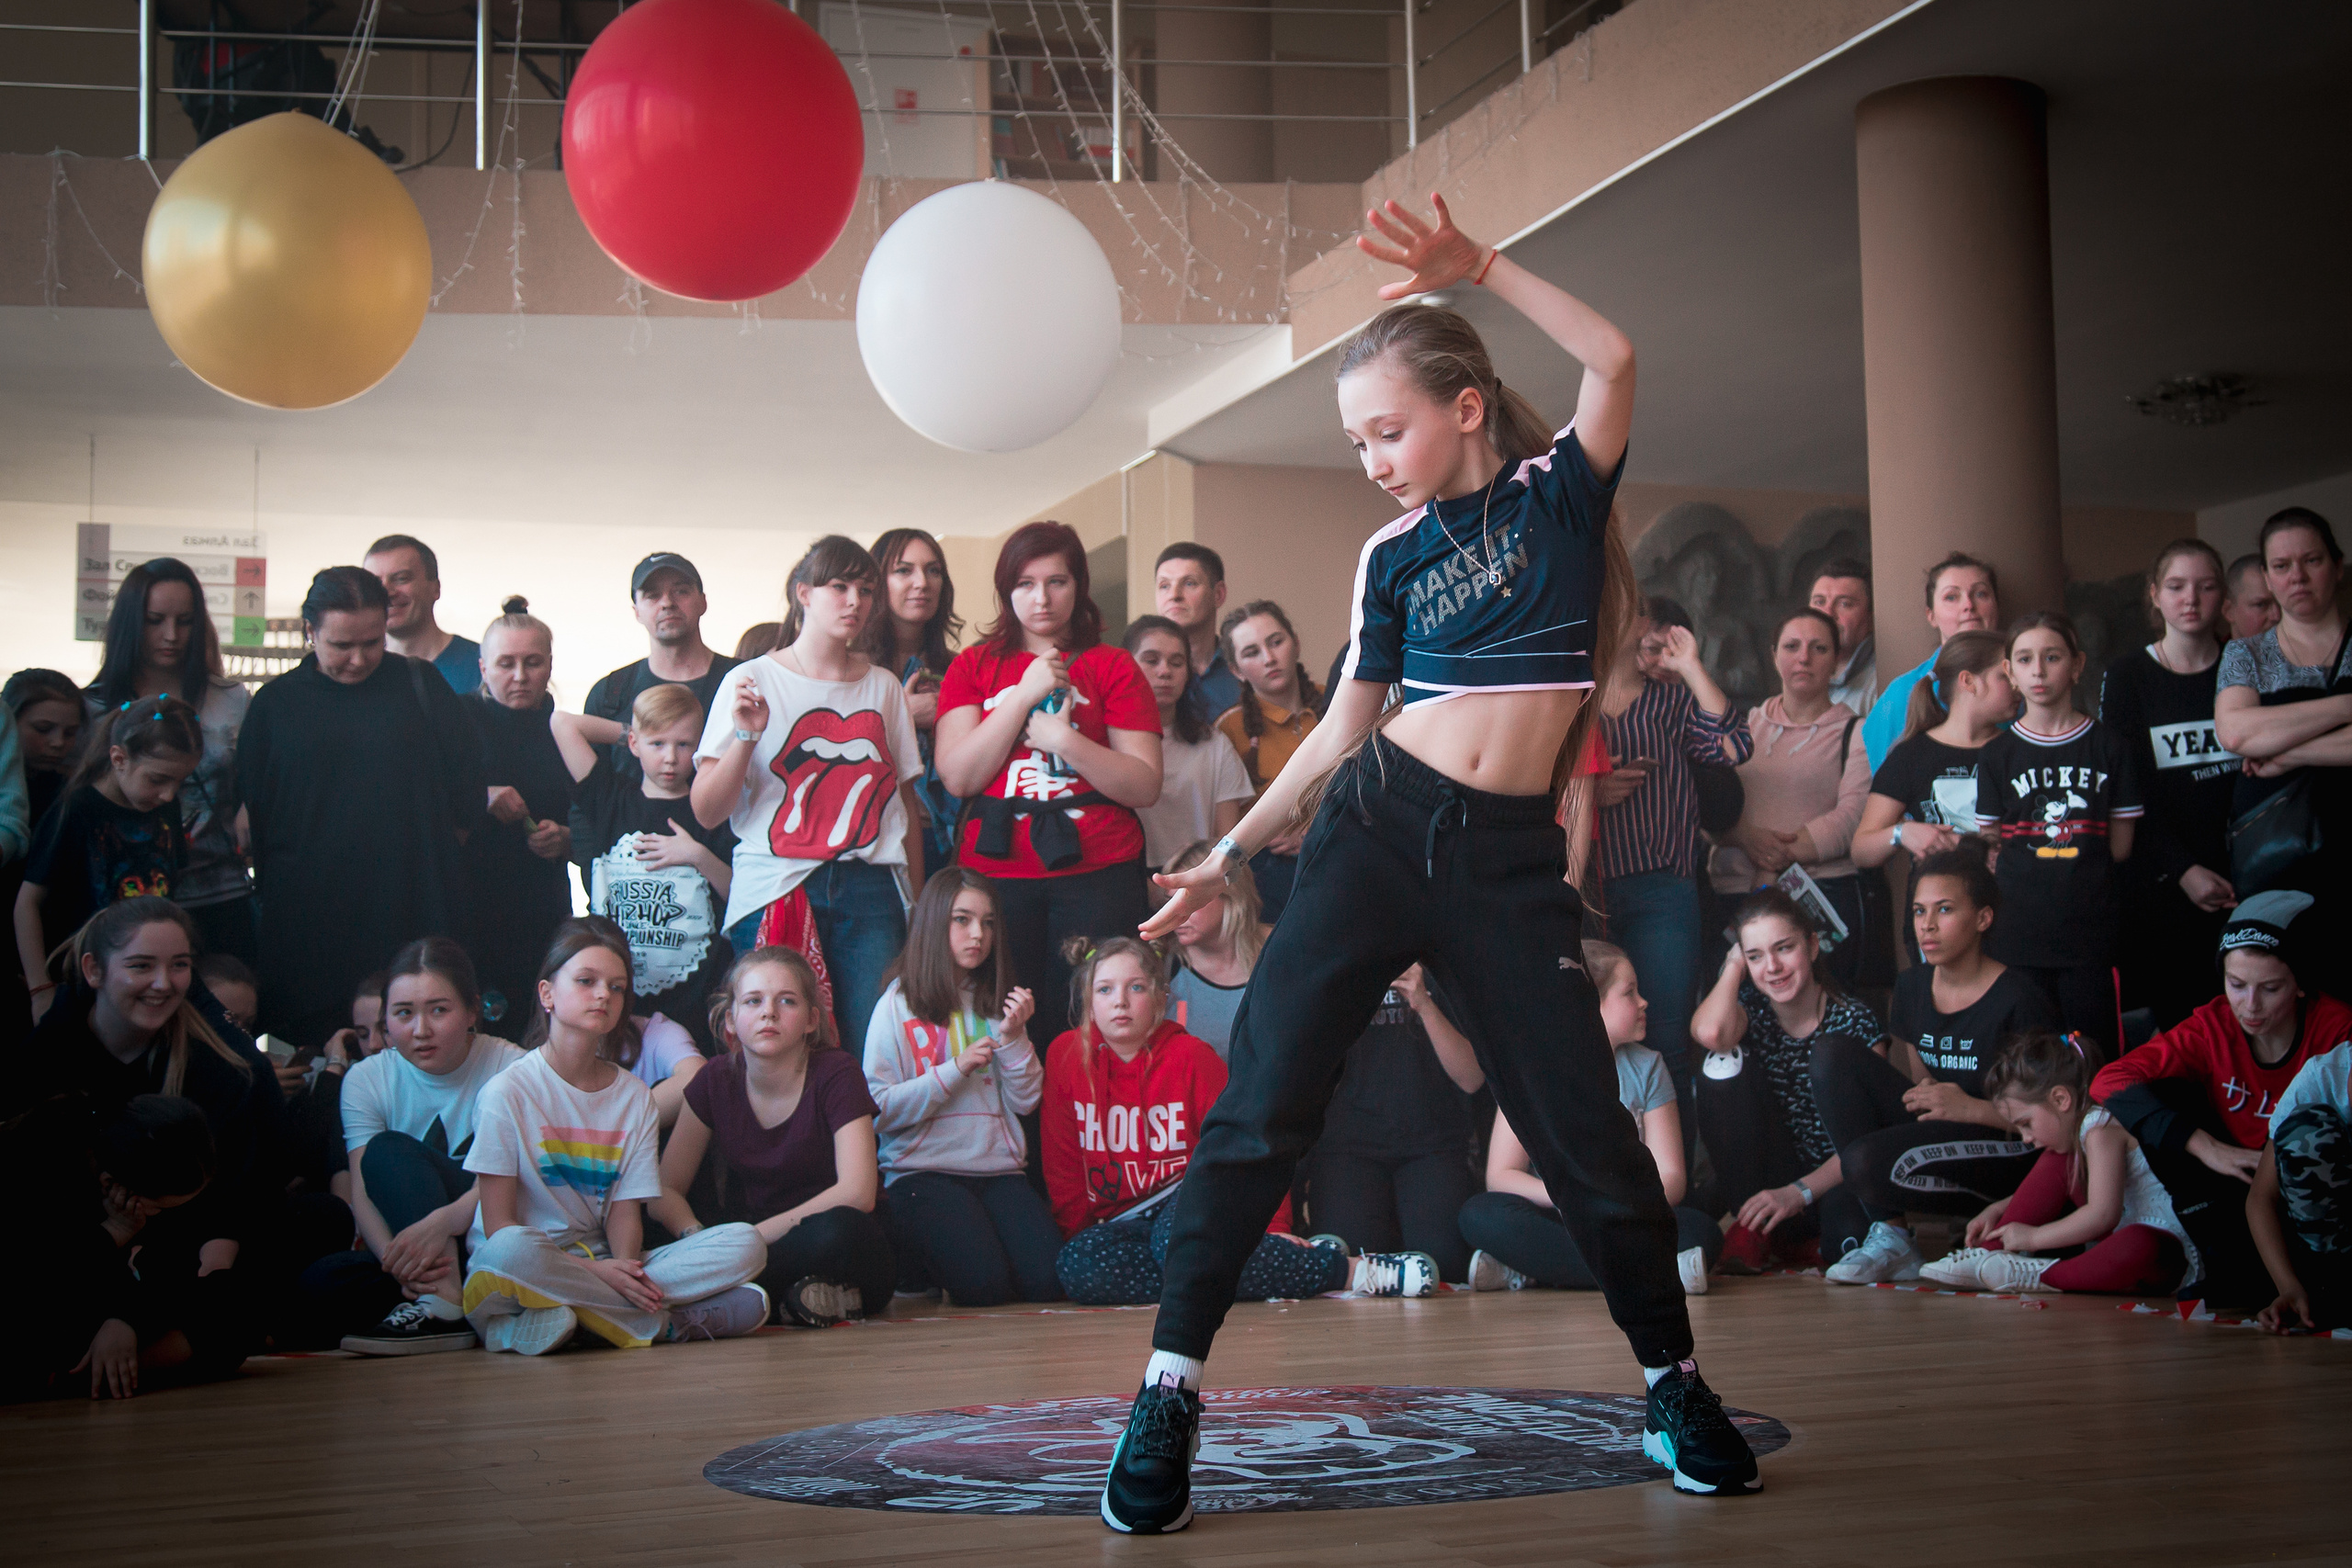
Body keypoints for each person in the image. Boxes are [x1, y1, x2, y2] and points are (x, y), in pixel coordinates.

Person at [1125, 196, 1760, 1530]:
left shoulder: (1559, 497)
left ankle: (1674, 1384)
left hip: (1510, 865)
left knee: (1589, 1133)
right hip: (1376, 829)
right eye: (1354, 439)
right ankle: (1169, 1391)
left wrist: (1484, 267)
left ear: (1467, 405)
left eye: (1388, 429)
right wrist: (1229, 858)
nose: (1371, 459)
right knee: (1260, 1112)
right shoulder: (1389, 555)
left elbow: (1616, 355)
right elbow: (1345, 732)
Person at [1042, 938, 1429, 1308]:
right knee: (1078, 1266)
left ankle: (1349, 1272)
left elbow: (1245, 1141)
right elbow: (1063, 1165)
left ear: (1161, 996)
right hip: (1123, 1221)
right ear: (1088, 1003)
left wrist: (1272, 1224)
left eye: (1136, 987)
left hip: (1190, 1197)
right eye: (1105, 990)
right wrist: (1085, 1237)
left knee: (1177, 1244)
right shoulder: (1065, 1055)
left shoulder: (1192, 1056)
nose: (1120, 1002)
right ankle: (1252, 1268)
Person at [6, 899, 290, 1377]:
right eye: (141, 966)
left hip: (173, 1256)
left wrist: (130, 1317)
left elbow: (222, 1215)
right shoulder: (46, 1066)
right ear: (94, 970)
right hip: (70, 1254)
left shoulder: (215, 1070)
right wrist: (113, 1237)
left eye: (179, 967)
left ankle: (100, 1369)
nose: (164, 984)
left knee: (241, 1301)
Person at [462, 919, 770, 1354]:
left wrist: (621, 1268)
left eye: (618, 987)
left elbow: (624, 1215)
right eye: (587, 981)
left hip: (605, 1263)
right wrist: (596, 1275)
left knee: (746, 1243)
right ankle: (661, 1323)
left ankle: (567, 1323)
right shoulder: (505, 1092)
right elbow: (497, 1226)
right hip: (520, 1268)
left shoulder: (634, 1098)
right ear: (547, 994)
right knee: (513, 1250)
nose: (604, 995)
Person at [692, 536, 925, 1056]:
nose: (855, 601)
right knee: (776, 1049)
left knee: (875, 1047)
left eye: (866, 590)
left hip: (870, 887)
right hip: (777, 883)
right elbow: (707, 808)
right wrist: (746, 736)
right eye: (838, 586)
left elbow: (904, 804)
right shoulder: (752, 678)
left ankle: (861, 1142)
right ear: (804, 593)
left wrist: (919, 902)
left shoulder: (884, 686)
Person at [935, 522, 1162, 1051]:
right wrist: (1021, 697)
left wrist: (1066, 740)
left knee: (1092, 1022)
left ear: (1078, 585)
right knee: (1003, 1024)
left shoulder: (1113, 666)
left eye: (1057, 581)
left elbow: (1144, 783)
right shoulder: (974, 665)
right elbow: (958, 775)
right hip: (994, 876)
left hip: (1099, 870)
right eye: (1025, 584)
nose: (1042, 598)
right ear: (1006, 590)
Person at [237, 566, 486, 1047]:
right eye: (340, 645)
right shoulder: (276, 704)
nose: (357, 659)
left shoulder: (419, 684)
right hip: (308, 922)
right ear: (310, 632)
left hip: (410, 901)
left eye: (372, 643)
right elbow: (254, 811)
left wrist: (432, 853)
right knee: (317, 1056)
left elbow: (467, 787)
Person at [2091, 891, 2349, 1309]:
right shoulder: (2214, 1025)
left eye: (2270, 989)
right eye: (2237, 985)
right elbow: (2109, 1080)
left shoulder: (2337, 1029)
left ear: (2301, 984)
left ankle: (2322, 1282)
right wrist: (2206, 1147)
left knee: (2312, 1130)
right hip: (2237, 1188)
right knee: (2153, 1095)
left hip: (2314, 1202)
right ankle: (2228, 1266)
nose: (2250, 1006)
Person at [1812, 851, 2058, 1284]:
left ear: (1983, 919)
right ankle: (1891, 1237)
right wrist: (1940, 1105)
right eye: (1919, 911)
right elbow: (1924, 1083)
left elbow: (2053, 1118)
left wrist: (1970, 1108)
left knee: (1864, 1164)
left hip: (2009, 1144)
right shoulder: (1911, 986)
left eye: (1944, 910)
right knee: (1832, 1054)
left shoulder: (2020, 996)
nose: (1927, 925)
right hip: (1947, 1125)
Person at [657, 943, 896, 1327]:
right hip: (749, 1240)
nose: (769, 1012)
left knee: (840, 1230)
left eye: (787, 1001)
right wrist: (696, 1237)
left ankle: (726, 1294)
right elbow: (666, 1188)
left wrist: (742, 1243)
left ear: (811, 1020)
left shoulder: (837, 1072)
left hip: (833, 1240)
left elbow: (858, 1193)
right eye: (753, 1001)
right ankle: (790, 1300)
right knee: (658, 1227)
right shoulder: (715, 1078)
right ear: (731, 1020)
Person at [1461, 940, 1720, 1294]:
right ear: (1586, 1006)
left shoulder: (1648, 1067)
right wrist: (1571, 1197)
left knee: (1701, 1231)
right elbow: (1501, 1176)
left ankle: (1533, 1271)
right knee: (1480, 1215)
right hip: (1558, 1214)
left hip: (1627, 1215)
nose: (1644, 1002)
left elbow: (1671, 1177)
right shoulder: (1532, 1070)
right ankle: (1648, 1274)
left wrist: (1618, 1203)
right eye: (1630, 993)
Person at [311, 939, 524, 1355]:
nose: (420, 1030)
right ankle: (442, 1301)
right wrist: (399, 1260)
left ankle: (446, 1305)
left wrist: (444, 1223)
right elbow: (363, 1191)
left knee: (389, 1149)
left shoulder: (512, 1067)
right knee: (320, 1285)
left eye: (438, 1010)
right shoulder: (366, 1079)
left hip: (488, 1236)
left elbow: (520, 1178)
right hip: (417, 1251)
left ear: (472, 1012)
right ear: (386, 1020)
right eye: (404, 1013)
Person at [863, 867, 1060, 1306]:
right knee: (982, 1288)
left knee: (1048, 1281)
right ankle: (914, 1263)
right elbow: (879, 1110)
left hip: (998, 1172)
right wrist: (953, 1071)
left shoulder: (998, 999)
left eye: (988, 922)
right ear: (935, 922)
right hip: (922, 1173)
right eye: (962, 919)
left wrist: (1014, 1038)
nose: (978, 934)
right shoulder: (898, 1002)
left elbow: (1028, 1102)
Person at [1593, 598, 1752, 1124]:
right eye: (1629, 609)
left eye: (1640, 612)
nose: (1640, 621)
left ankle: (1672, 1186)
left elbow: (1733, 747)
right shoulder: (1574, 700)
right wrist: (1592, 791)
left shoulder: (1670, 701)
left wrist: (1691, 666)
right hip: (1588, 894)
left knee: (1665, 1042)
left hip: (1664, 890)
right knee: (1591, 1046)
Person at [1973, 611, 2142, 1055]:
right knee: (2029, 1061)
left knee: (2097, 1060)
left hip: (2091, 940)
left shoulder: (2110, 747)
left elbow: (2122, 847)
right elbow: (1990, 847)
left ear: (2077, 664)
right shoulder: (1997, 756)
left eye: (2052, 657)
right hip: (2017, 938)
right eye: (2025, 659)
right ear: (2009, 670)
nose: (2039, 671)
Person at [1688, 890, 1880, 1272]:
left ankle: (1791, 1241)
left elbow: (1870, 1141)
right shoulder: (1752, 1009)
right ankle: (1752, 1227)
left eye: (1783, 948)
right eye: (1756, 956)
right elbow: (1710, 1032)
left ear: (1811, 946)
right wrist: (1733, 966)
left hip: (1834, 1177)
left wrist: (1800, 1192)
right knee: (1719, 1064)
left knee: (1849, 1243)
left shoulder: (1854, 1019)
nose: (1772, 966)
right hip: (1769, 1177)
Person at [1922, 1031, 2196, 1295]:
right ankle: (1989, 1254)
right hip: (2123, 1232)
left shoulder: (2101, 1126)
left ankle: (2033, 1274)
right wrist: (1999, 1207)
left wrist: (2033, 1238)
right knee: (2059, 1159)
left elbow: (2103, 1216)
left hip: (2168, 1253)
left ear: (2060, 1099)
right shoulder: (2081, 1134)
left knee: (2139, 1244)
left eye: (2026, 1124)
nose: (2027, 1138)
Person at [2098, 539, 2242, 1028]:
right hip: (2166, 886)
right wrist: (2183, 869)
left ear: (2223, 596)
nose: (2191, 599)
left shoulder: (2245, 664)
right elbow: (2127, 790)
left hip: (2248, 873)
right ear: (2155, 595)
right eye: (2177, 587)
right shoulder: (2127, 676)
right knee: (2189, 1030)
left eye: (2205, 587)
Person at [1, 1094, 227, 1402]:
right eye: (157, 1208)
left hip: (111, 1306)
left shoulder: (143, 1184)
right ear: (110, 1184)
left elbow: (173, 1277)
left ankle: (109, 1367)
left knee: (232, 1299)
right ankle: (84, 1374)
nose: (162, 1214)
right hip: (38, 1315)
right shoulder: (34, 1173)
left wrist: (126, 1320)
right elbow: (40, 1282)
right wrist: (113, 1233)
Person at [85, 558, 255, 964]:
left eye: (185, 621)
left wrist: (251, 805)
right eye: (154, 620)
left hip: (222, 893)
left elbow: (253, 782)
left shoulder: (231, 699)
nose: (171, 635)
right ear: (131, 623)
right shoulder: (91, 707)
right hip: (123, 902)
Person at [558, 682, 735, 1055]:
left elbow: (738, 894)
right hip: (617, 997)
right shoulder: (610, 796)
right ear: (636, 745)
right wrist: (631, 732)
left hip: (695, 997)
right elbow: (562, 722)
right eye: (658, 744)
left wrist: (697, 855)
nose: (670, 757)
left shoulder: (712, 810)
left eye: (684, 745)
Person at [2212, 508, 2350, 953]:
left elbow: (2259, 735)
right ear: (2269, 580)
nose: (2298, 577)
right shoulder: (2244, 654)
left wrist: (2289, 753)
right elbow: (2236, 734)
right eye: (2281, 566)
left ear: (2337, 566)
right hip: (2277, 859)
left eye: (2312, 561)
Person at [1711, 608, 1871, 989]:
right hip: (1733, 897)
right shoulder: (1742, 729)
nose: (1804, 658)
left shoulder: (1856, 732)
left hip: (1817, 899)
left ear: (1835, 661)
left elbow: (1852, 817)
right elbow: (1710, 809)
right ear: (1773, 655)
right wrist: (1746, 839)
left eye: (1819, 648)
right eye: (1792, 646)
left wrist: (1773, 860)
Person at [17, 695, 202, 1018]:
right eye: (157, 779)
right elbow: (26, 904)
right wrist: (40, 989)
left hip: (150, 981)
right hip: (81, 982)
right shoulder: (77, 810)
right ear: (118, 759)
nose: (169, 794)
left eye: (180, 782)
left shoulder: (165, 806)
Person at [1303, 963, 1487, 1281]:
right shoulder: (1330, 961)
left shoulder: (1444, 965)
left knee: (1444, 1266)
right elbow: (1302, 1073)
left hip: (1433, 1143)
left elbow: (1471, 1079)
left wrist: (1425, 1004)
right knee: (1351, 1263)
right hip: (1346, 1145)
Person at [1850, 630, 2014, 963]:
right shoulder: (1912, 755)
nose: (2019, 685)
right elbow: (1861, 850)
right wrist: (1902, 833)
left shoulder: (2018, 751)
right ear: (1969, 682)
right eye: (2006, 675)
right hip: (1938, 926)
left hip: (2011, 913)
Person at [466, 598, 575, 1028]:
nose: (519, 676)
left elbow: (598, 819)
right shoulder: (460, 722)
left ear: (549, 666)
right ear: (482, 667)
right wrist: (479, 795)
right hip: (470, 900)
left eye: (532, 663)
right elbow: (420, 798)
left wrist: (568, 838)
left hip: (541, 905)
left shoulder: (566, 731)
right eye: (505, 663)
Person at [858, 528, 966, 874]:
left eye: (933, 570)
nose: (922, 582)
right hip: (871, 840)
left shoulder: (959, 667)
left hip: (952, 839)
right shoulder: (850, 666)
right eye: (903, 570)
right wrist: (904, 715)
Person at [586, 553, 742, 786]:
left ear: (703, 602)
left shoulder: (742, 681)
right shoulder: (611, 693)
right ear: (636, 611)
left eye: (681, 591)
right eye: (652, 595)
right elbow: (589, 798)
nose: (667, 603)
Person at [1215, 602, 1324, 924]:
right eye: (1251, 652)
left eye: (1276, 642)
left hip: (1351, 852)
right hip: (1273, 877)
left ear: (1296, 643)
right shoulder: (1228, 730)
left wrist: (1313, 832)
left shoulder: (1337, 701)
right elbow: (1228, 828)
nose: (1269, 658)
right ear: (1235, 670)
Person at [1125, 617, 1251, 869]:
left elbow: (1229, 840)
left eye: (1177, 662)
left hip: (1202, 879)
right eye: (1151, 660)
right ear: (1126, 665)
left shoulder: (1214, 744)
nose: (1165, 672)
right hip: (1125, 879)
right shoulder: (1106, 744)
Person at [1860, 552, 2001, 772]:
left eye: (1981, 594)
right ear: (1931, 615)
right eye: (1951, 597)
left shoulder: (2026, 685)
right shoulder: (1901, 694)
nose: (1968, 605)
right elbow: (1879, 786)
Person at [2, 670, 83, 1043]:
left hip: (50, 959)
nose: (57, 743)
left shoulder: (73, 796)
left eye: (69, 733)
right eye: (43, 729)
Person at [2251, 1034, 2351, 1333]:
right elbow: (2260, 1199)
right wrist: (2289, 1288)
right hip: (2329, 1248)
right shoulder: (2321, 1076)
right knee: (2307, 1130)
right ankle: (2327, 1291)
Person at [1159, 839, 1263, 1061]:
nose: (1175, 914)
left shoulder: (1278, 949)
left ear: (1231, 895)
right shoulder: (1162, 968)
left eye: (1188, 899)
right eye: (1169, 902)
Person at [363, 534, 479, 694]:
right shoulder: (358, 669)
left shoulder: (484, 666)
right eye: (375, 583)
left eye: (401, 579)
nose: (386, 592)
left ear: (436, 589)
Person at [1153, 543, 1243, 719]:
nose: (1174, 595)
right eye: (1164, 586)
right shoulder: (1137, 672)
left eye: (1189, 583)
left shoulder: (1244, 667)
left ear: (1218, 594)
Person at [1808, 558, 1876, 716]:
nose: (1828, 613)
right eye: (1819, 602)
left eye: (1844, 604)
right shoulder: (1799, 676)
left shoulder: (1880, 689)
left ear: (1871, 619)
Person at [2222, 552, 2278, 644]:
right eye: (2261, 605)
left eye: (2281, 603)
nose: (2276, 616)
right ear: (2229, 611)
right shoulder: (2217, 657)